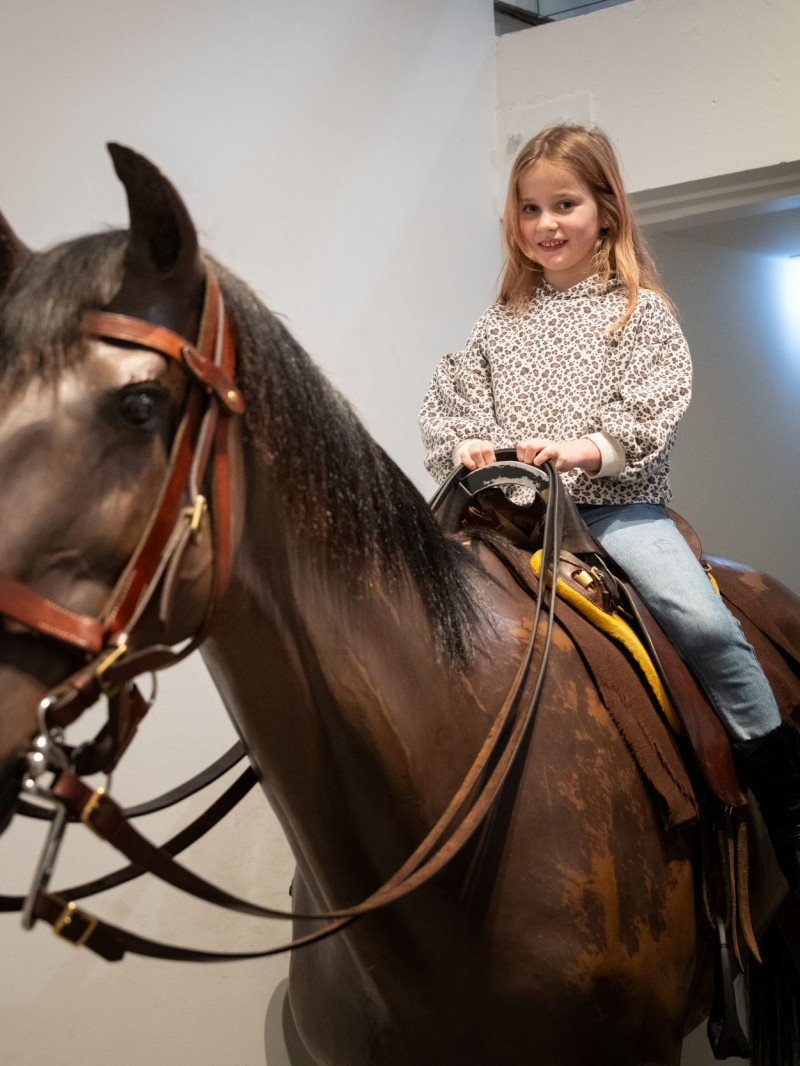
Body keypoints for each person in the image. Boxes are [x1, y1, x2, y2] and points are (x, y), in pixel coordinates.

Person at [419, 124, 800, 906]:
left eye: (565, 204)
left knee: (701, 623)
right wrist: (468, 447)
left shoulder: (638, 313)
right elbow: (456, 402)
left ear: (606, 210)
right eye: (530, 209)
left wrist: (584, 450)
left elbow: (651, 407)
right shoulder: (500, 321)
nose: (546, 224)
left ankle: (784, 787)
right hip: (510, 518)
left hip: (614, 510)